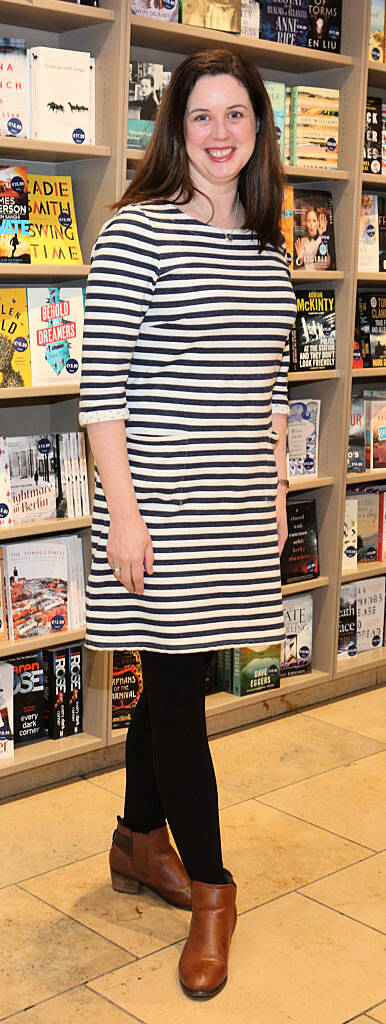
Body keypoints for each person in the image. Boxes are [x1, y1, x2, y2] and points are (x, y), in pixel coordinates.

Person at [79, 48, 296, 1000]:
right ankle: (214, 891)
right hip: (157, 512)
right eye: (201, 116)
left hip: (236, 507)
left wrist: (280, 478)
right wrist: (122, 514)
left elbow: (271, 384)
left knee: (178, 680)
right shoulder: (137, 233)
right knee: (179, 701)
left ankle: (136, 840)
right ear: (175, 129)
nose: (219, 133)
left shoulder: (267, 246)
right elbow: (102, 393)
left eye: (236, 116)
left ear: (258, 129)